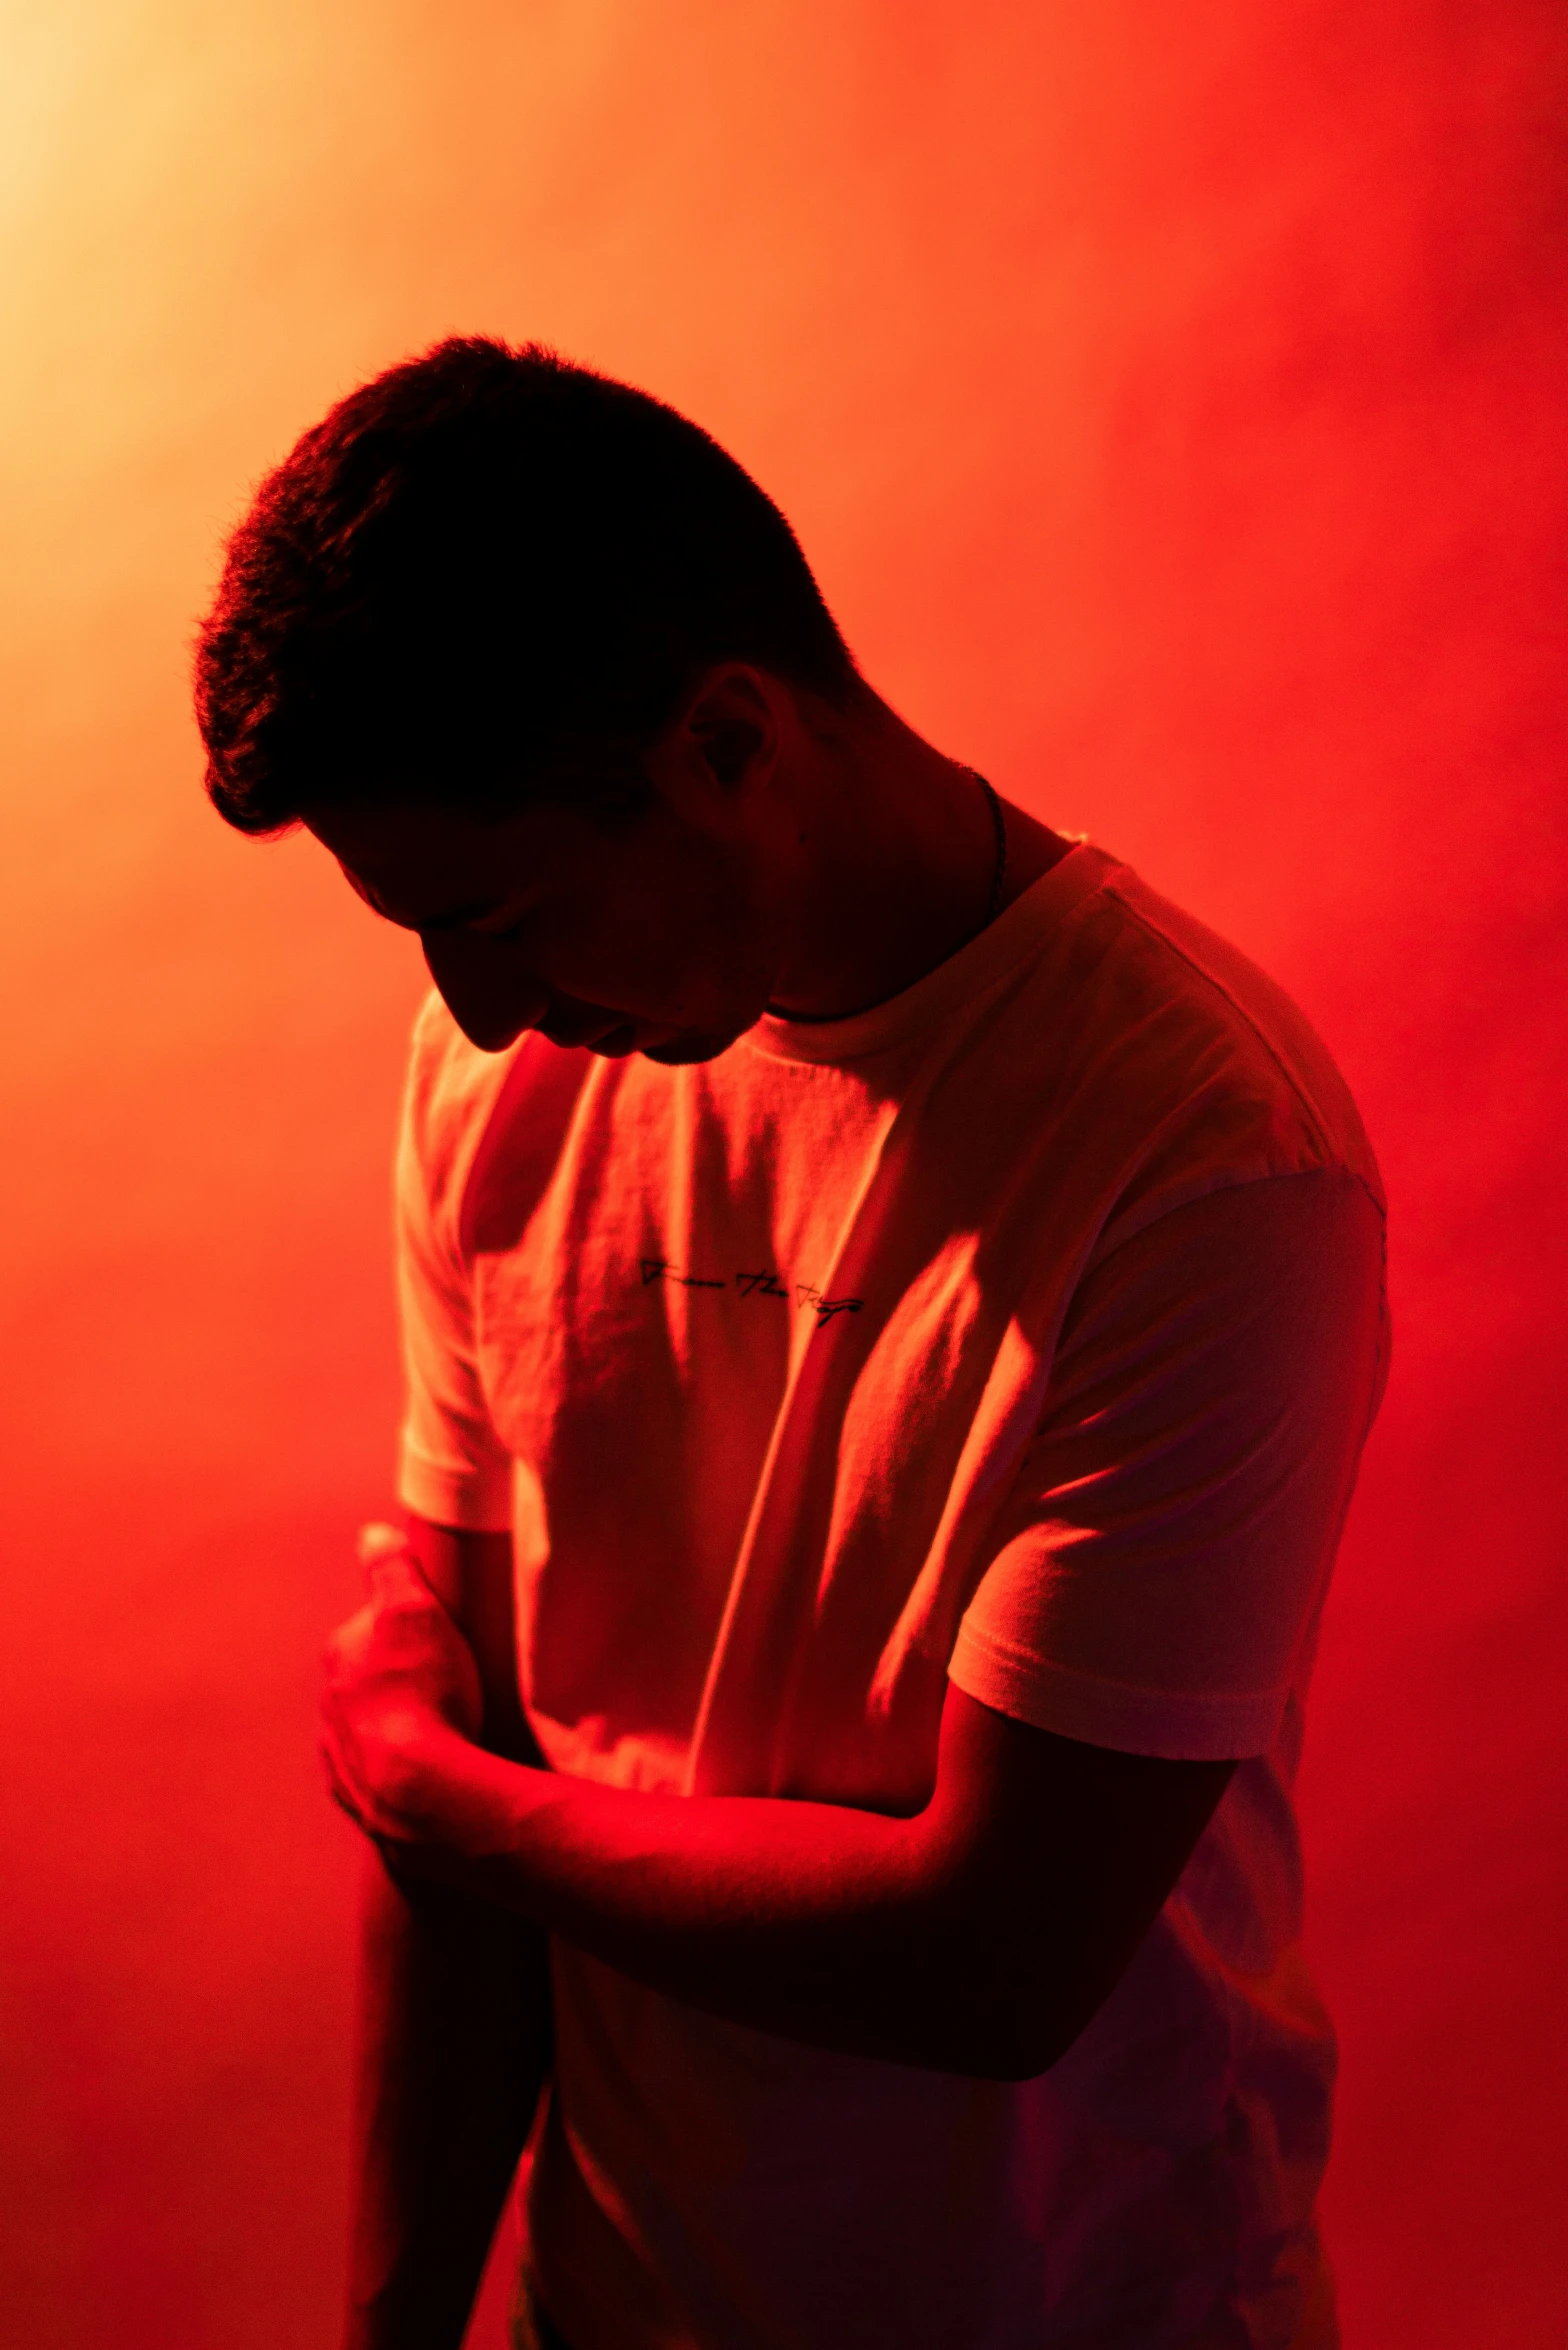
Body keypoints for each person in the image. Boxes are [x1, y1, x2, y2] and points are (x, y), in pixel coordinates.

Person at [194, 336, 1388, 2350]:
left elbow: (998, 1953)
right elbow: (462, 1746)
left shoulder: (1206, 1150)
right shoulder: (491, 1083)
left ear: (733, 742)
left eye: (504, 912)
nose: (473, 1010)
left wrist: (437, 1794)